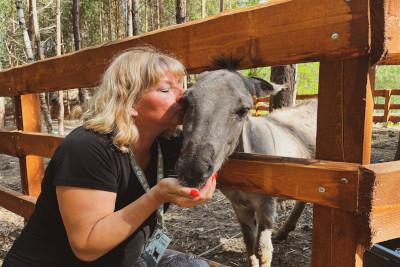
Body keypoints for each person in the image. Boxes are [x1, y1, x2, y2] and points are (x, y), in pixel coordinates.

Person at [3, 46, 217, 267]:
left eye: (181, 86)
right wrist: (156, 197)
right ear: (130, 102)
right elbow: (86, 246)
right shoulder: (88, 147)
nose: (184, 95)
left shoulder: (168, 143)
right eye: (165, 90)